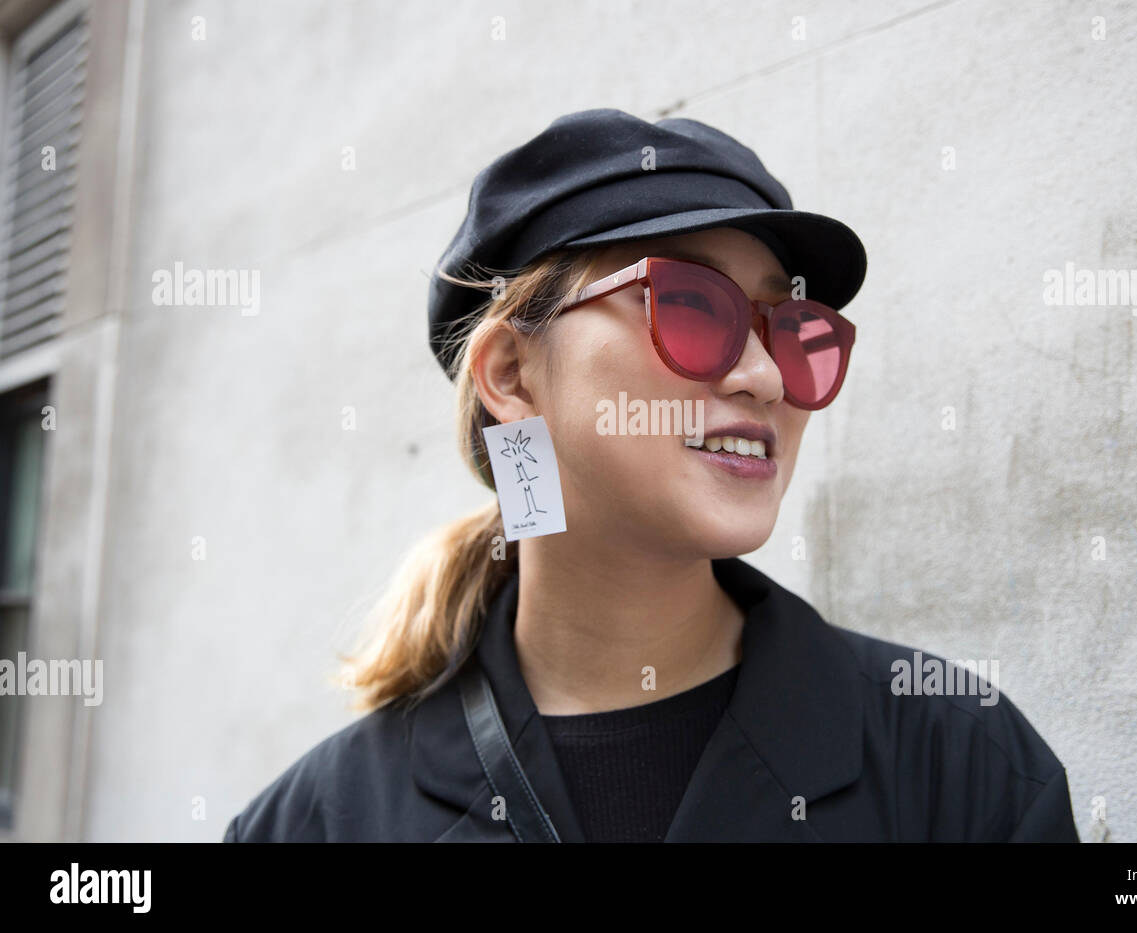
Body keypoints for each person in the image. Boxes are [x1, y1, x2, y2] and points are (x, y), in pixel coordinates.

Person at [223, 108, 1080, 843]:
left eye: (790, 325)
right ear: (513, 375)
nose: (766, 377)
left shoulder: (962, 765)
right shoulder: (317, 824)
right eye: (691, 305)